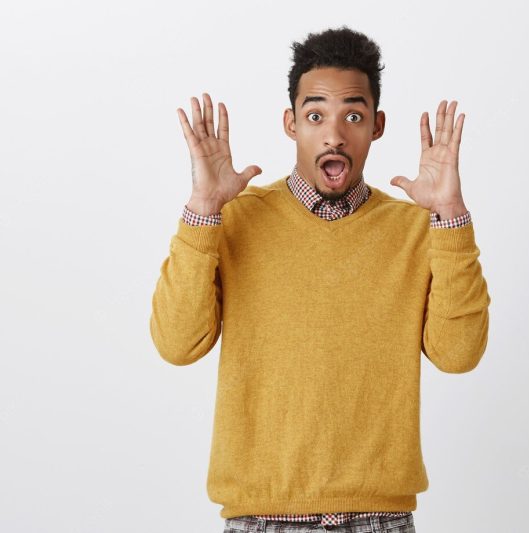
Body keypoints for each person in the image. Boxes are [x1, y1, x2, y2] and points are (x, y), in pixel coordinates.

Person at [150, 26, 490, 533]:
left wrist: (451, 215)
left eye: (352, 115)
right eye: (315, 116)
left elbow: (459, 354)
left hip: (380, 520)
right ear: (291, 124)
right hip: (259, 519)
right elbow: (177, 344)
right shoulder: (233, 219)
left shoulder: (418, 229)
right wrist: (202, 210)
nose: (334, 135)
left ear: (376, 126)